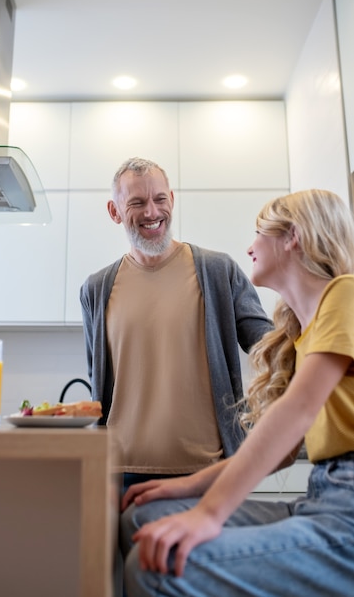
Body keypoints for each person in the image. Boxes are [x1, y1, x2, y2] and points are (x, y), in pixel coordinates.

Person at [120, 188, 354, 597]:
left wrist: (209, 514)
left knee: (154, 566)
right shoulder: (303, 335)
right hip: (322, 496)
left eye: (258, 233)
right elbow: (280, 452)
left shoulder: (346, 293)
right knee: (142, 519)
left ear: (292, 236)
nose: (250, 247)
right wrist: (188, 487)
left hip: (346, 510)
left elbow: (297, 410)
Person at [80, 157, 272, 489]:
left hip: (208, 470)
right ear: (114, 211)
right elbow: (97, 377)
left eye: (159, 199)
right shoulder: (96, 289)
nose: (152, 212)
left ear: (172, 199)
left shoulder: (217, 271)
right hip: (119, 470)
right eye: (137, 203)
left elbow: (268, 345)